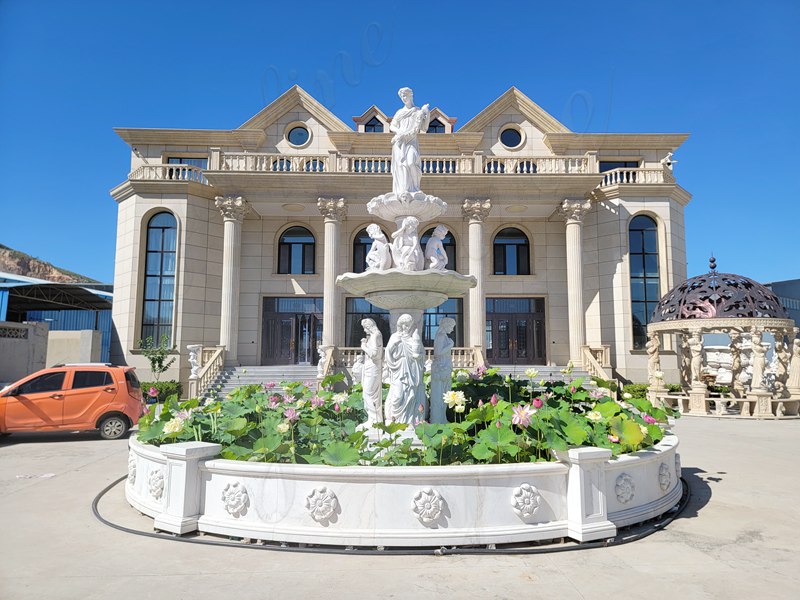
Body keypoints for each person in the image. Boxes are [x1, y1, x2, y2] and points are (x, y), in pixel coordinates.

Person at [384, 314, 425, 424]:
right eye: (404, 325)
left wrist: (419, 356)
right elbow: (388, 352)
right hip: (398, 368)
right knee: (397, 395)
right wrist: (395, 344)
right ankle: (395, 420)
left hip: (411, 369)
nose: (406, 327)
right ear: (400, 325)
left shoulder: (414, 338)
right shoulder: (395, 337)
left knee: (410, 394)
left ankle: (409, 420)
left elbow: (421, 354)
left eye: (408, 325)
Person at [389, 87, 430, 197]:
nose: (403, 98)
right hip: (400, 142)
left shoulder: (417, 111)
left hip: (411, 141)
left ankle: (415, 188)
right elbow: (392, 126)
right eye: (401, 96)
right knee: (401, 165)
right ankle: (403, 189)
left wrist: (427, 114)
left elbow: (424, 128)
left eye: (405, 95)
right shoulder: (400, 112)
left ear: (411, 95)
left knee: (411, 162)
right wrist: (400, 131)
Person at [429, 318, 455, 424]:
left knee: (444, 394)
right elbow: (438, 353)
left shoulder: (443, 336)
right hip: (441, 367)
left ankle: (442, 418)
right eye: (452, 327)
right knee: (439, 395)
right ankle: (437, 420)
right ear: (446, 325)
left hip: (444, 366)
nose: (452, 330)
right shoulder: (440, 336)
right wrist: (450, 345)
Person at [359, 319, 384, 426]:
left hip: (373, 368)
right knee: (370, 394)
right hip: (371, 367)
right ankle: (373, 419)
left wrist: (363, 347)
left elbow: (375, 354)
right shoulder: (375, 335)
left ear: (369, 326)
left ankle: (375, 419)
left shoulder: (375, 336)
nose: (364, 330)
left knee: (368, 394)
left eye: (365, 327)